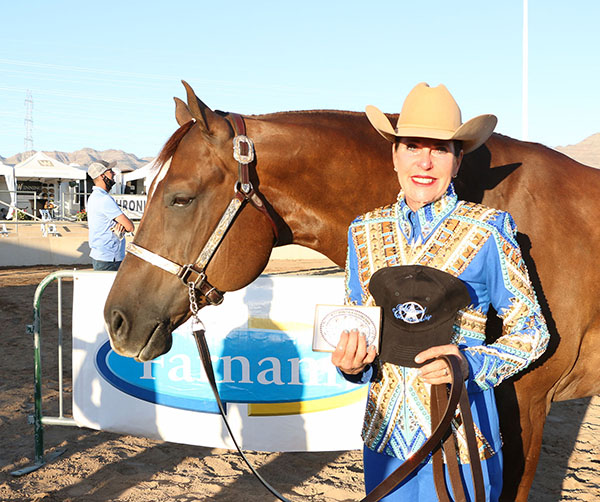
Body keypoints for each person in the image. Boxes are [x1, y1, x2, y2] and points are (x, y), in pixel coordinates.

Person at [331, 83, 550, 501]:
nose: (425, 161)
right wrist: (351, 363)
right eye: (413, 146)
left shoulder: (489, 230)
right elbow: (358, 324)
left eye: (441, 148)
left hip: (462, 433)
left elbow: (532, 332)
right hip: (385, 438)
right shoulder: (362, 231)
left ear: (457, 159)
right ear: (394, 154)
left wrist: (470, 364)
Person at [87, 160, 134, 271]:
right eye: (110, 171)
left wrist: (120, 224)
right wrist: (122, 224)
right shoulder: (104, 199)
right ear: (102, 176)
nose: (114, 173)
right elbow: (130, 227)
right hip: (110, 258)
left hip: (102, 256)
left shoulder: (94, 197)